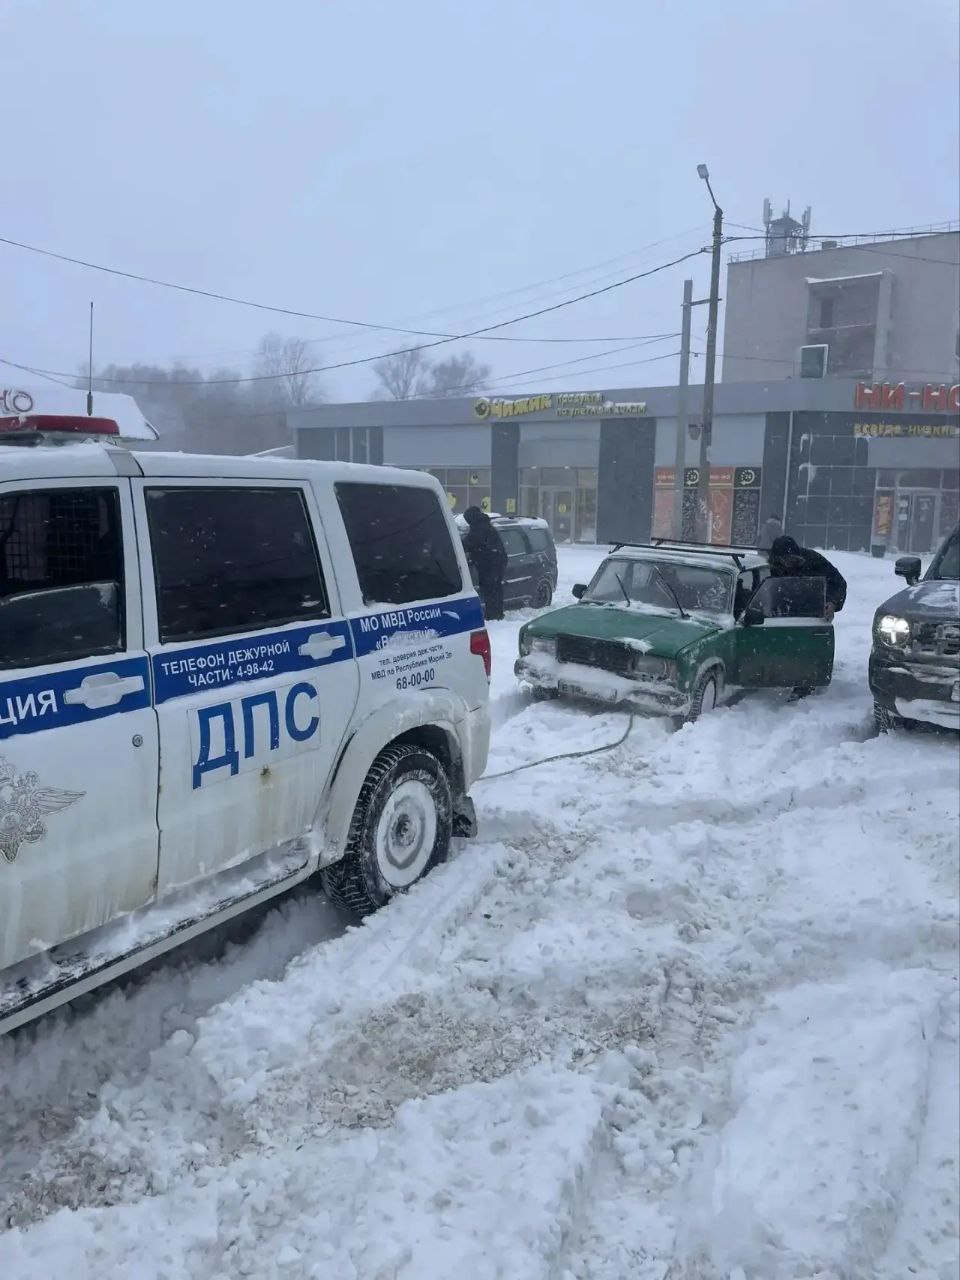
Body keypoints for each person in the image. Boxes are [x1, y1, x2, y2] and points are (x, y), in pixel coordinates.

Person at [768, 534, 847, 701]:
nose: (787, 563)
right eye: (784, 560)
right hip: (786, 609)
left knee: (807, 648)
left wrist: (832, 602)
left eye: (791, 559)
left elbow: (839, 582)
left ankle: (804, 685)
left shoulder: (813, 560)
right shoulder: (773, 565)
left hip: (814, 609)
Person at [462, 506, 507, 620]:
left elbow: (469, 543)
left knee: (490, 589)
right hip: (495, 562)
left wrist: (457, 547)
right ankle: (496, 613)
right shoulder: (484, 524)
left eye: (467, 519)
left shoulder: (479, 527)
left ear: (471, 517)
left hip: (491, 564)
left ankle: (493, 615)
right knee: (495, 589)